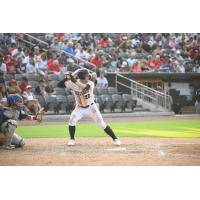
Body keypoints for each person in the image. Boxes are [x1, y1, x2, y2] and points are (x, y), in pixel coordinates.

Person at [57, 69, 121, 146]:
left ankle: (115, 138)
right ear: (84, 77)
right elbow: (59, 85)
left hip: (91, 107)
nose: (89, 76)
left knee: (101, 123)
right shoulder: (73, 83)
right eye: (87, 75)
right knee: (71, 122)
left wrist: (73, 80)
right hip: (79, 108)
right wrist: (67, 78)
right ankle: (72, 139)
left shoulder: (90, 83)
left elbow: (85, 88)